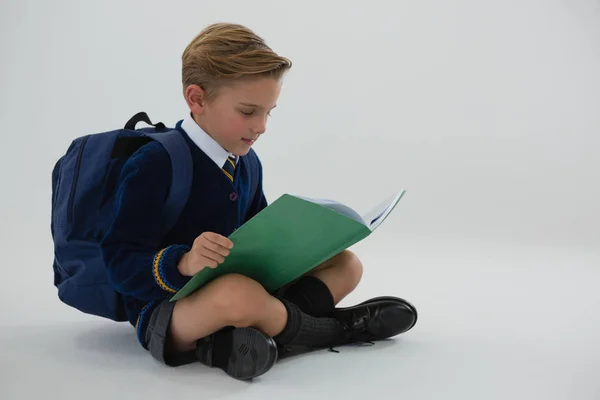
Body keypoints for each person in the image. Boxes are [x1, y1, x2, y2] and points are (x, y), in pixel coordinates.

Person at [100, 22, 418, 381]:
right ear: (197, 99)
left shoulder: (247, 162)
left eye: (269, 112)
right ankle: (333, 330)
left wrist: (305, 244)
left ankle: (237, 341)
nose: (262, 126)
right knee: (237, 294)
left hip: (246, 288)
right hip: (171, 310)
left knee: (347, 264)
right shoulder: (155, 163)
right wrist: (184, 262)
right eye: (249, 112)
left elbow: (259, 233)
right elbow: (118, 261)